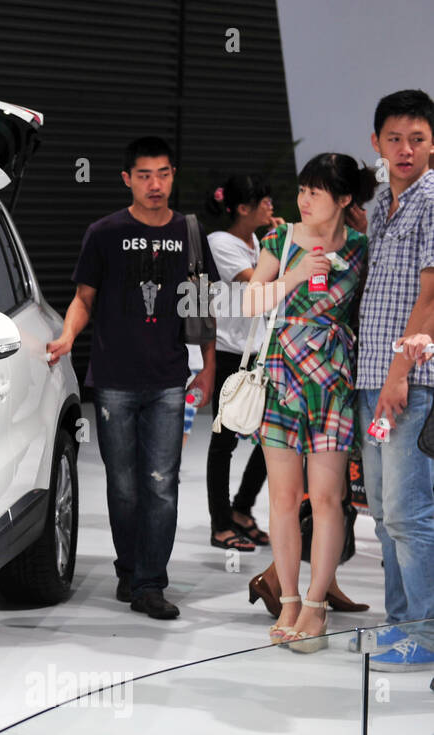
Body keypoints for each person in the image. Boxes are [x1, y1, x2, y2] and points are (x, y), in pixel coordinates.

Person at [48, 136, 218, 620]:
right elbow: (84, 298)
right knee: (123, 485)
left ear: (173, 176)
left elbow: (203, 304)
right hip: (114, 380)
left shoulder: (189, 232)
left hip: (169, 380)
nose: (155, 184)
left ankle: (150, 583)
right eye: (144, 175)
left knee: (162, 483)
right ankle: (129, 569)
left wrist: (207, 367)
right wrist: (65, 338)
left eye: (163, 173)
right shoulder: (104, 233)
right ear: (127, 179)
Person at [242, 153, 374, 651]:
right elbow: (251, 301)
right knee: (281, 496)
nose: (304, 199)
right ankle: (290, 598)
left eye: (316, 191)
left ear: (343, 199)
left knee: (326, 499)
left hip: (334, 379)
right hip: (282, 372)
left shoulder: (361, 246)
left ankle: (317, 605)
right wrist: (292, 276)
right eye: (301, 189)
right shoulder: (279, 239)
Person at [355, 89, 434, 671]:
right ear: (377, 144)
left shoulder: (433, 199)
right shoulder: (383, 202)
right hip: (371, 380)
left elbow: (432, 296)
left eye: (418, 138)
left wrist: (400, 372)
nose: (405, 149)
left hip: (412, 379)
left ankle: (425, 635)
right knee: (382, 512)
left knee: (409, 512)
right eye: (394, 139)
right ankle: (400, 623)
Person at [204, 174, 276, 551]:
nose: (271, 205)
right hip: (232, 352)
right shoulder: (221, 243)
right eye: (263, 200)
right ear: (243, 208)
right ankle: (220, 524)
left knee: (272, 439)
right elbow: (259, 283)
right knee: (224, 442)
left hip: (261, 352)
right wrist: (282, 248)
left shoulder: (258, 241)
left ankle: (242, 510)